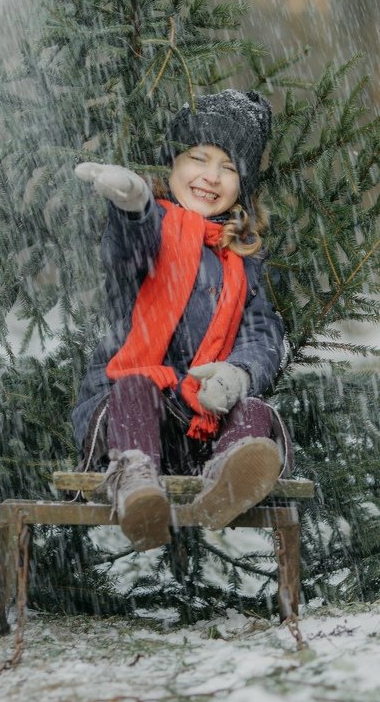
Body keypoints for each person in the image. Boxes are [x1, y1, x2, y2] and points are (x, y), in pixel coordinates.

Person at [73, 89, 292, 552]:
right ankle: (136, 488)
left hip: (199, 423)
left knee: (254, 412)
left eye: (228, 168)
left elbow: (264, 332)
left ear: (243, 186)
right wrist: (131, 209)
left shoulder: (243, 258)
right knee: (136, 388)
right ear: (171, 165)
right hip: (128, 416)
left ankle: (225, 485)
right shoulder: (154, 230)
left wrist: (238, 373)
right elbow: (129, 252)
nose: (210, 177)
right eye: (198, 158)